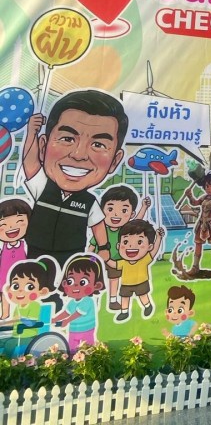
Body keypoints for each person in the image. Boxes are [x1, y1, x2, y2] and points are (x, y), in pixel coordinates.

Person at [21, 90, 129, 266]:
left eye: (98, 144)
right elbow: (30, 163)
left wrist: (104, 247)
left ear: (115, 161)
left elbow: (97, 224)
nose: (79, 155)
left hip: (71, 255)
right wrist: (32, 133)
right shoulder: (42, 187)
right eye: (67, 138)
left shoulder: (89, 202)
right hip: (36, 250)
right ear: (43, 147)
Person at [89, 185, 151, 311]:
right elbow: (92, 246)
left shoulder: (125, 231)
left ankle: (112, 300)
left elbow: (137, 222)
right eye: (110, 209)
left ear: (131, 214)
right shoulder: (101, 230)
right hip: (98, 260)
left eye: (124, 210)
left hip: (115, 261)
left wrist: (144, 207)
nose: (116, 214)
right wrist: (89, 259)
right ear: (101, 211)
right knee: (94, 279)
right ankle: (93, 299)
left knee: (114, 279)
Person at [107, 219, 164, 322]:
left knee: (143, 295)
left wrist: (158, 238)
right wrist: (106, 259)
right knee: (124, 297)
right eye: (125, 242)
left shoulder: (145, 259)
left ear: (149, 246)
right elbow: (114, 264)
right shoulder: (123, 262)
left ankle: (147, 306)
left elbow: (154, 251)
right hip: (126, 284)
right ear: (118, 246)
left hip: (141, 282)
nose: (131, 246)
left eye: (139, 242)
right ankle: (124, 312)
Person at [52, 254, 105, 351]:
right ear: (64, 283)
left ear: (96, 285)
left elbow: (78, 313)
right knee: (72, 347)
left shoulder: (88, 300)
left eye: (83, 282)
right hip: (74, 329)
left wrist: (66, 321)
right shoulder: (72, 302)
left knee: (88, 348)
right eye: (70, 281)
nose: (76, 285)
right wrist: (55, 319)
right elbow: (67, 312)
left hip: (87, 328)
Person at [0, 199, 31, 319]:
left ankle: (21, 313)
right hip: (4, 274)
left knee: (23, 293)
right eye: (3, 224)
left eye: (19, 221)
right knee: (4, 292)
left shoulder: (26, 244)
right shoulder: (2, 246)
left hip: (22, 275)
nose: (11, 227)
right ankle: (5, 313)